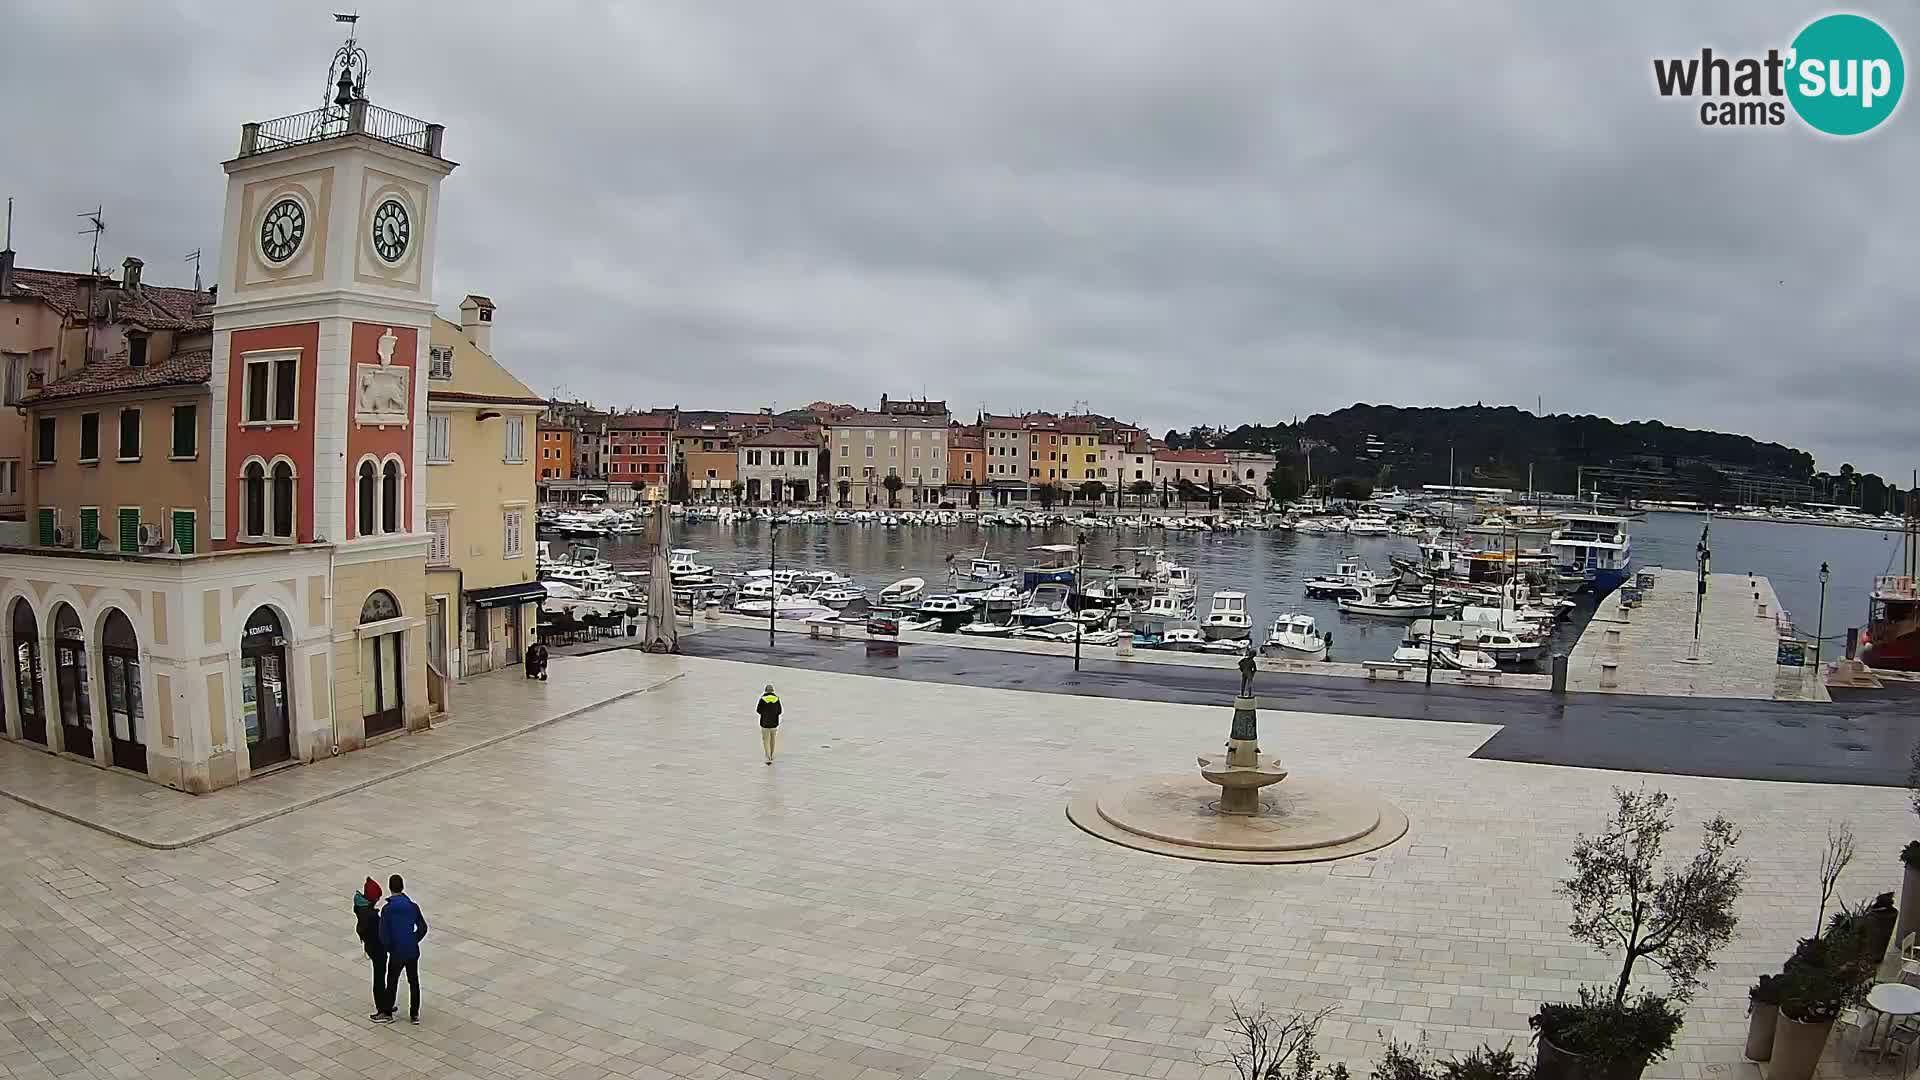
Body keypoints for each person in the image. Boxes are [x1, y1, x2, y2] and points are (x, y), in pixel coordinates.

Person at [374, 874, 428, 1024]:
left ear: (390, 888)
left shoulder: (387, 909)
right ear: (402, 887)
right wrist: (413, 940)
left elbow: (383, 934)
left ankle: (387, 1012)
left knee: (392, 981)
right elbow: (423, 928)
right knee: (414, 981)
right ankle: (414, 1014)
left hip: (397, 951)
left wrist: (390, 947)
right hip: (412, 950)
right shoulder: (412, 906)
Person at [353, 877, 388, 1018]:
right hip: (377, 949)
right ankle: (382, 1009)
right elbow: (379, 933)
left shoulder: (362, 908)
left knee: (380, 977)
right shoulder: (371, 916)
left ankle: (385, 1004)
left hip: (372, 948)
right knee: (379, 978)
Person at [756, 684, 782, 764]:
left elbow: (758, 710)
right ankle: (772, 754)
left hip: (764, 723)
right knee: (773, 739)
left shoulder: (762, 699)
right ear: (772, 691)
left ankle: (768, 756)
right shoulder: (777, 699)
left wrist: (765, 713)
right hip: (774, 723)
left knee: (766, 740)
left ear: (766, 691)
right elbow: (780, 711)